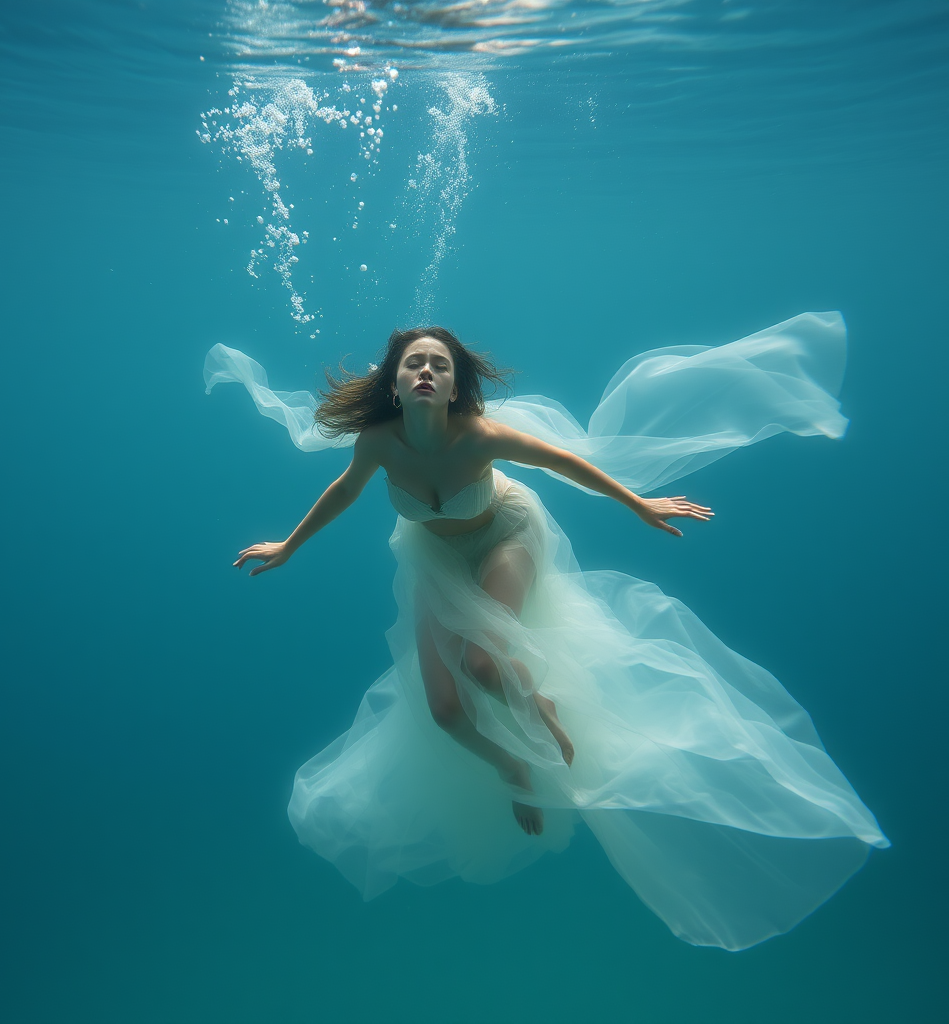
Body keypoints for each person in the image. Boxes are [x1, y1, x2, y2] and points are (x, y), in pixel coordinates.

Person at [206, 315, 888, 950]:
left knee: (481, 665)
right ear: (394, 381)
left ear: (453, 385)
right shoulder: (378, 442)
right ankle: (513, 766)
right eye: (413, 363)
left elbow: (563, 462)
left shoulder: (478, 434)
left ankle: (540, 705)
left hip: (505, 533)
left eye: (439, 365)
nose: (425, 373)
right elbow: (345, 492)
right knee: (444, 712)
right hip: (432, 557)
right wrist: (289, 546)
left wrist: (638, 503)